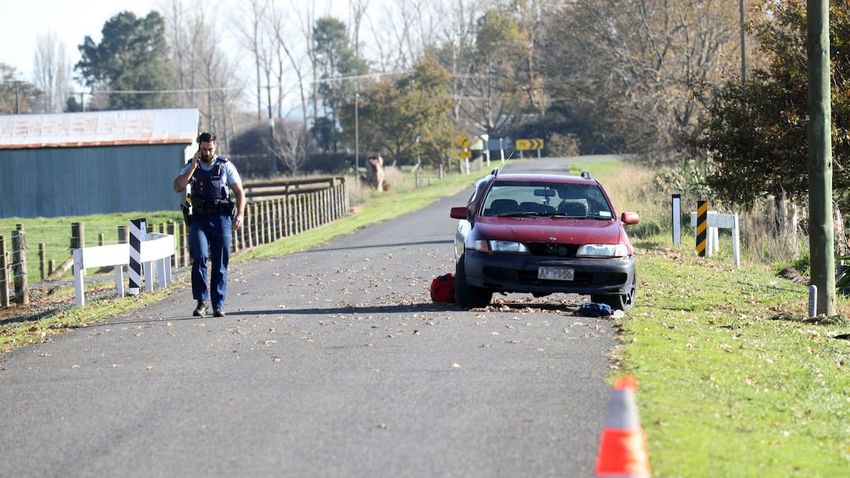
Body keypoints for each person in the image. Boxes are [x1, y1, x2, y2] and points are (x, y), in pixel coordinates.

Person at [173, 132, 245, 317]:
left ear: (215, 147)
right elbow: (177, 186)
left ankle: (218, 304)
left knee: (220, 262)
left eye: (210, 149)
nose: (207, 152)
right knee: (200, 257)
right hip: (199, 220)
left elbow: (239, 192)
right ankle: (201, 302)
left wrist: (241, 214)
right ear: (199, 147)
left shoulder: (225, 166)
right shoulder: (192, 165)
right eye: (204, 149)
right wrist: (193, 167)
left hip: (221, 219)